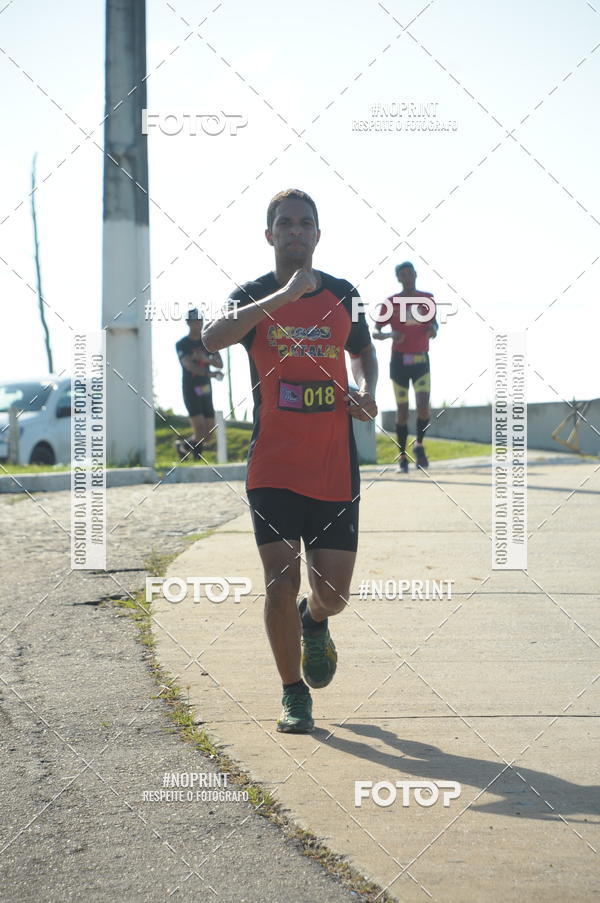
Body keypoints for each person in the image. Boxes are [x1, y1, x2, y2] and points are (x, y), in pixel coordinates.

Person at [203, 188, 377, 734]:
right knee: (279, 579)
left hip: (333, 466)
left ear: (318, 235)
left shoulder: (346, 294)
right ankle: (292, 692)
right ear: (270, 235)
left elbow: (364, 350)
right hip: (273, 466)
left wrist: (368, 391)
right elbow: (212, 338)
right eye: (286, 223)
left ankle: (314, 619)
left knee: (335, 594)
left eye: (306, 223)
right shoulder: (252, 296)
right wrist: (283, 297)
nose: (296, 231)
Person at [373, 261, 437, 472]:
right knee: (402, 412)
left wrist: (432, 331)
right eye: (404, 275)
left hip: (421, 360)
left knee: (423, 407)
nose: (408, 277)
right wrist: (392, 334)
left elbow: (434, 323)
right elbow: (376, 331)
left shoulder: (427, 299)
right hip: (399, 361)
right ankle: (402, 455)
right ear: (398, 278)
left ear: (416, 275)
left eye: (411, 274)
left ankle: (418, 445)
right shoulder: (390, 303)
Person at [175, 308, 223, 460]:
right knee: (200, 429)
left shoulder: (209, 341)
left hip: (205, 389)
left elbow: (219, 363)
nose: (198, 324)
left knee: (208, 434)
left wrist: (206, 359)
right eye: (195, 321)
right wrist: (210, 373)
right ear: (188, 323)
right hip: (190, 388)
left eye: (200, 321)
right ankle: (197, 457)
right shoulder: (182, 344)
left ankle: (183, 446)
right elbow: (189, 366)